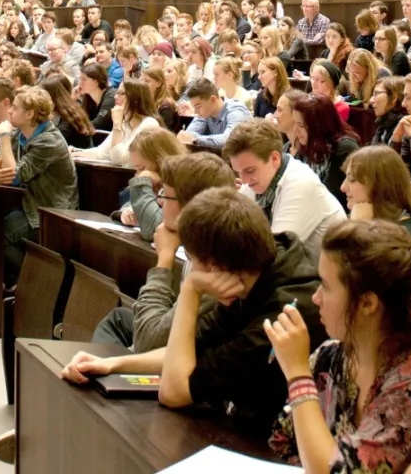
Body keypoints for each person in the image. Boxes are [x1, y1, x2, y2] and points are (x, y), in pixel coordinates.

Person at [59, 188, 326, 431]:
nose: (192, 270)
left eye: (193, 260)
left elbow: (174, 392)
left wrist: (191, 291)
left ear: (215, 266)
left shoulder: (283, 313)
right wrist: (112, 364)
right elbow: (189, 352)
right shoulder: (255, 268)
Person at [267, 220, 411, 474]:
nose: (316, 298)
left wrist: (297, 375)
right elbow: (282, 441)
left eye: (325, 286)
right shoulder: (330, 357)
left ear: (367, 303)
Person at [91, 151, 238, 352]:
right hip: (173, 341)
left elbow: (148, 343)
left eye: (164, 196)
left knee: (123, 341)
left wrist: (164, 260)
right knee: (118, 320)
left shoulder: (214, 265)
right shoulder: (203, 246)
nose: (159, 202)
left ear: (188, 208)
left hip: (189, 365)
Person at [225, 119, 345, 262]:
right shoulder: (259, 178)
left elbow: (273, 254)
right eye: (238, 172)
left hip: (327, 278)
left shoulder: (301, 183)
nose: (244, 180)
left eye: (249, 170)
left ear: (274, 158)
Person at [0, 86, 78, 284]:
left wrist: (4, 137)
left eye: (14, 107)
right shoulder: (21, 134)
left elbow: (14, 176)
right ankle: (17, 285)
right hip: (28, 206)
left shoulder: (49, 141)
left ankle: (40, 285)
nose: (10, 111)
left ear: (30, 113)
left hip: (50, 213)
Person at [289, 95, 359, 209]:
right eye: (294, 123)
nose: (295, 130)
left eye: (301, 125)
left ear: (319, 126)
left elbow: (330, 196)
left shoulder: (344, 148)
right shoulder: (307, 145)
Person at [341, 145, 411, 235]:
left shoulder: (408, 235)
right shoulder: (359, 216)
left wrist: (359, 227)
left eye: (352, 179)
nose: (343, 187)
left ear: (378, 185)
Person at [86, 79, 160, 165]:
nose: (115, 97)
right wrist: (75, 152)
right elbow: (101, 153)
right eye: (117, 93)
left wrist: (117, 125)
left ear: (135, 99)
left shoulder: (149, 124)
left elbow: (118, 159)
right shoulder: (125, 121)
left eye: (121, 94)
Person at [177, 77, 249, 151]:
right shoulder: (206, 113)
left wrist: (196, 140)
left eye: (198, 106)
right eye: (194, 107)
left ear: (213, 99)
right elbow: (189, 135)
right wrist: (190, 138)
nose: (195, 112)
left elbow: (229, 140)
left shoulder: (237, 111)